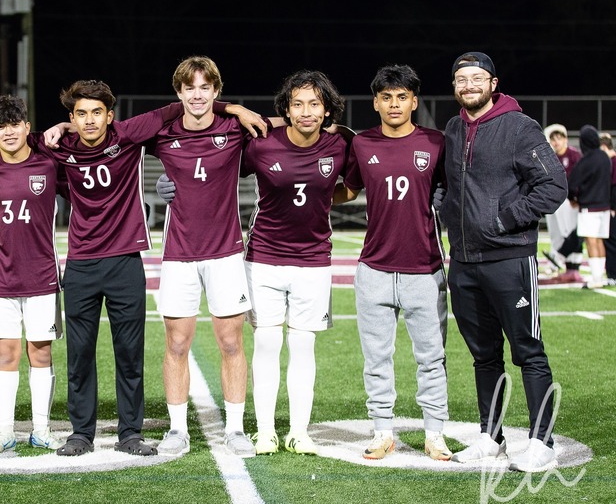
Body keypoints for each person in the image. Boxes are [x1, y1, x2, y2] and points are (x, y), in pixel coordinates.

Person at [38, 79, 263, 457]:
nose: (89, 121)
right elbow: (6, 134)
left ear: (110, 116)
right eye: (80, 114)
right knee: (79, 353)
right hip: (81, 261)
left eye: (97, 113)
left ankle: (131, 433)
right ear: (72, 118)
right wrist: (55, 129)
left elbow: (181, 109)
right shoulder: (60, 148)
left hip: (127, 259)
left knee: (131, 353)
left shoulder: (127, 136)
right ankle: (81, 433)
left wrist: (233, 108)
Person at [440, 52, 566, 473]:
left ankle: (542, 442)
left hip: (509, 259)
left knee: (528, 351)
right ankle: (489, 437)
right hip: (464, 260)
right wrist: (446, 210)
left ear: (494, 83)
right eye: (461, 79)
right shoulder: (455, 127)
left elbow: (553, 186)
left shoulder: (520, 127)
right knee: (483, 356)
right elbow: (448, 186)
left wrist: (504, 219)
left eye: (477, 78)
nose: (469, 85)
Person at [340, 64, 452, 461]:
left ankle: (435, 432)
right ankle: (382, 429)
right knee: (376, 356)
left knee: (432, 356)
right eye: (386, 97)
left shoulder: (437, 142)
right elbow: (346, 191)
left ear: (414, 101)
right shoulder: (362, 144)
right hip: (374, 267)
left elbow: (453, 192)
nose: (394, 103)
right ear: (375, 102)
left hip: (425, 267)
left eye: (401, 96)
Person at [147, 56, 256, 458]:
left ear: (215, 91)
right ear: (179, 93)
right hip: (178, 254)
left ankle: (235, 428)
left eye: (205, 87)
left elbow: (277, 126)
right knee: (176, 343)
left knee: (231, 342)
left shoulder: (234, 128)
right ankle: (177, 430)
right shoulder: (162, 133)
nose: (197, 94)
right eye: (189, 87)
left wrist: (236, 108)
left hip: (226, 253)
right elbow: (113, 137)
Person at [241, 69, 351, 456]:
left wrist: (323, 201)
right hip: (264, 259)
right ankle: (267, 430)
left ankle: (300, 432)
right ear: (286, 109)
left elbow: (351, 187)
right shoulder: (260, 144)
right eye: (297, 104)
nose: (306, 112)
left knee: (303, 347)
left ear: (327, 111)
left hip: (314, 261)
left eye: (314, 104)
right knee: (267, 343)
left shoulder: (340, 145)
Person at [0, 94, 66, 453]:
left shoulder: (48, 164)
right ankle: (5, 430)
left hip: (42, 275)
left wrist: (61, 125)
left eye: (15, 124)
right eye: (0, 127)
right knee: (6, 354)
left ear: (28, 128)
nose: (9, 132)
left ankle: (41, 429)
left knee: (40, 353)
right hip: (0, 276)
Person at [567, 124, 613, 289]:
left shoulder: (585, 160)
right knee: (600, 241)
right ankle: (600, 276)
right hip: (605, 206)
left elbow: (571, 184)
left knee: (591, 241)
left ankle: (595, 279)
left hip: (589, 207)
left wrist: (573, 198)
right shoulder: (605, 158)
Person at [540, 124, 583, 283]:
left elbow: (579, 178)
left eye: (559, 138)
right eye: (553, 139)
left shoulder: (574, 155)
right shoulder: (550, 157)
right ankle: (563, 265)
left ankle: (572, 267)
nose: (557, 142)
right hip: (554, 200)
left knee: (570, 232)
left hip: (570, 201)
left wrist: (576, 197)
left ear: (565, 139)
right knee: (556, 234)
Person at [597, 132, 616, 284]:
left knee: (611, 241)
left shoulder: (613, 162)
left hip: (613, 209)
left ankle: (612, 275)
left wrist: (613, 207)